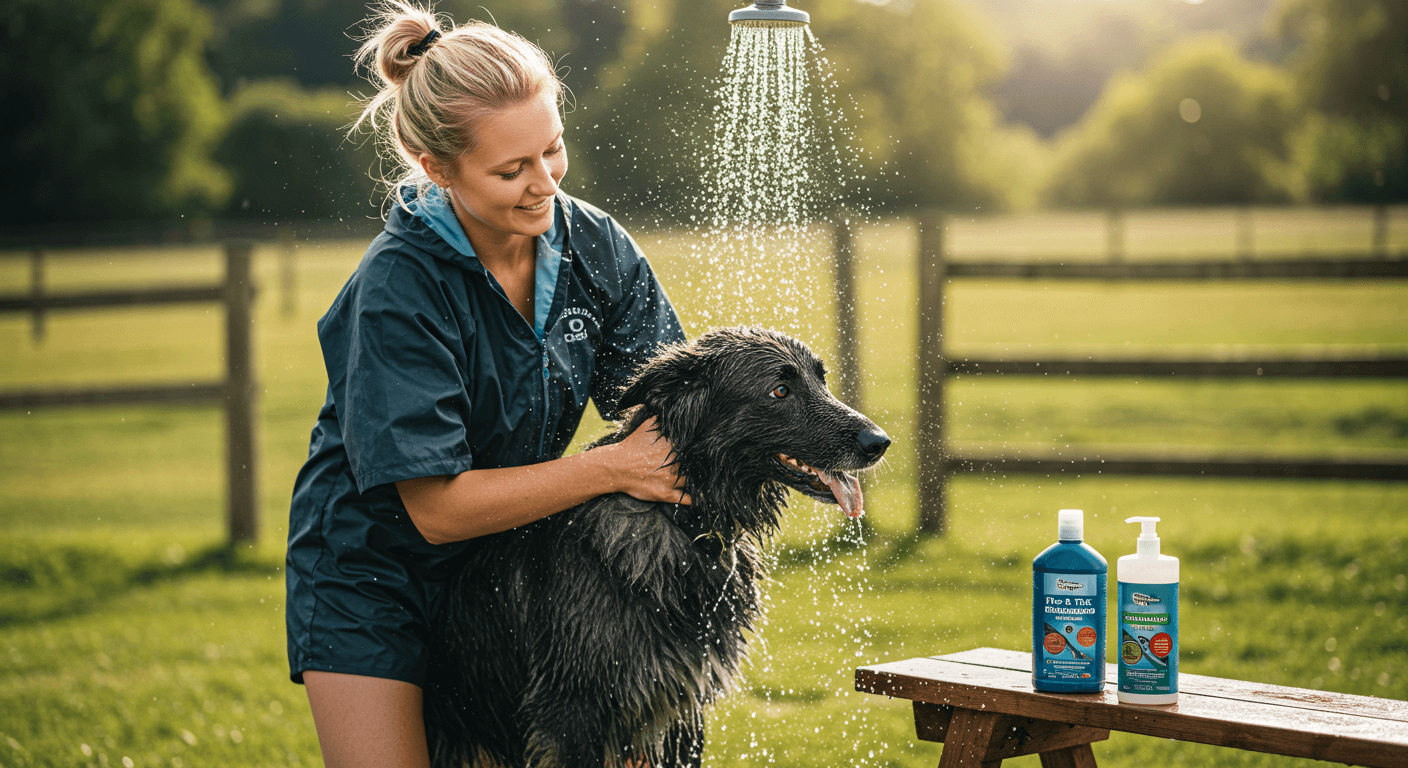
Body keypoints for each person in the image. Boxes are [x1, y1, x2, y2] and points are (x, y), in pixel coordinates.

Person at [284, 4, 689, 766]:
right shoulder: (398, 286)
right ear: (438, 169)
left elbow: (665, 423)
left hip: (518, 576)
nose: (545, 185)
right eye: (512, 170)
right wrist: (609, 467)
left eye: (553, 150)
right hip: (375, 582)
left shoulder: (594, 246)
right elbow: (436, 510)